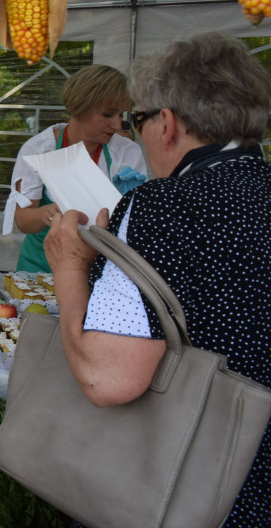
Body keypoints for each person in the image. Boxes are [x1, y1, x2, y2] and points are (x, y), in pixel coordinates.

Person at [44, 32, 271, 525]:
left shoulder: (162, 206)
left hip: (189, 483)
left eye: (136, 119)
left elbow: (108, 378)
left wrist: (69, 265)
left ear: (165, 123)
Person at [3, 64, 147, 273]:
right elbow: (23, 220)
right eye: (108, 115)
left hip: (101, 269)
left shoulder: (127, 151)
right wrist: (46, 213)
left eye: (121, 115)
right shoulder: (38, 149)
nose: (117, 125)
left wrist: (129, 203)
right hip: (41, 267)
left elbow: (134, 226)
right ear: (80, 108)